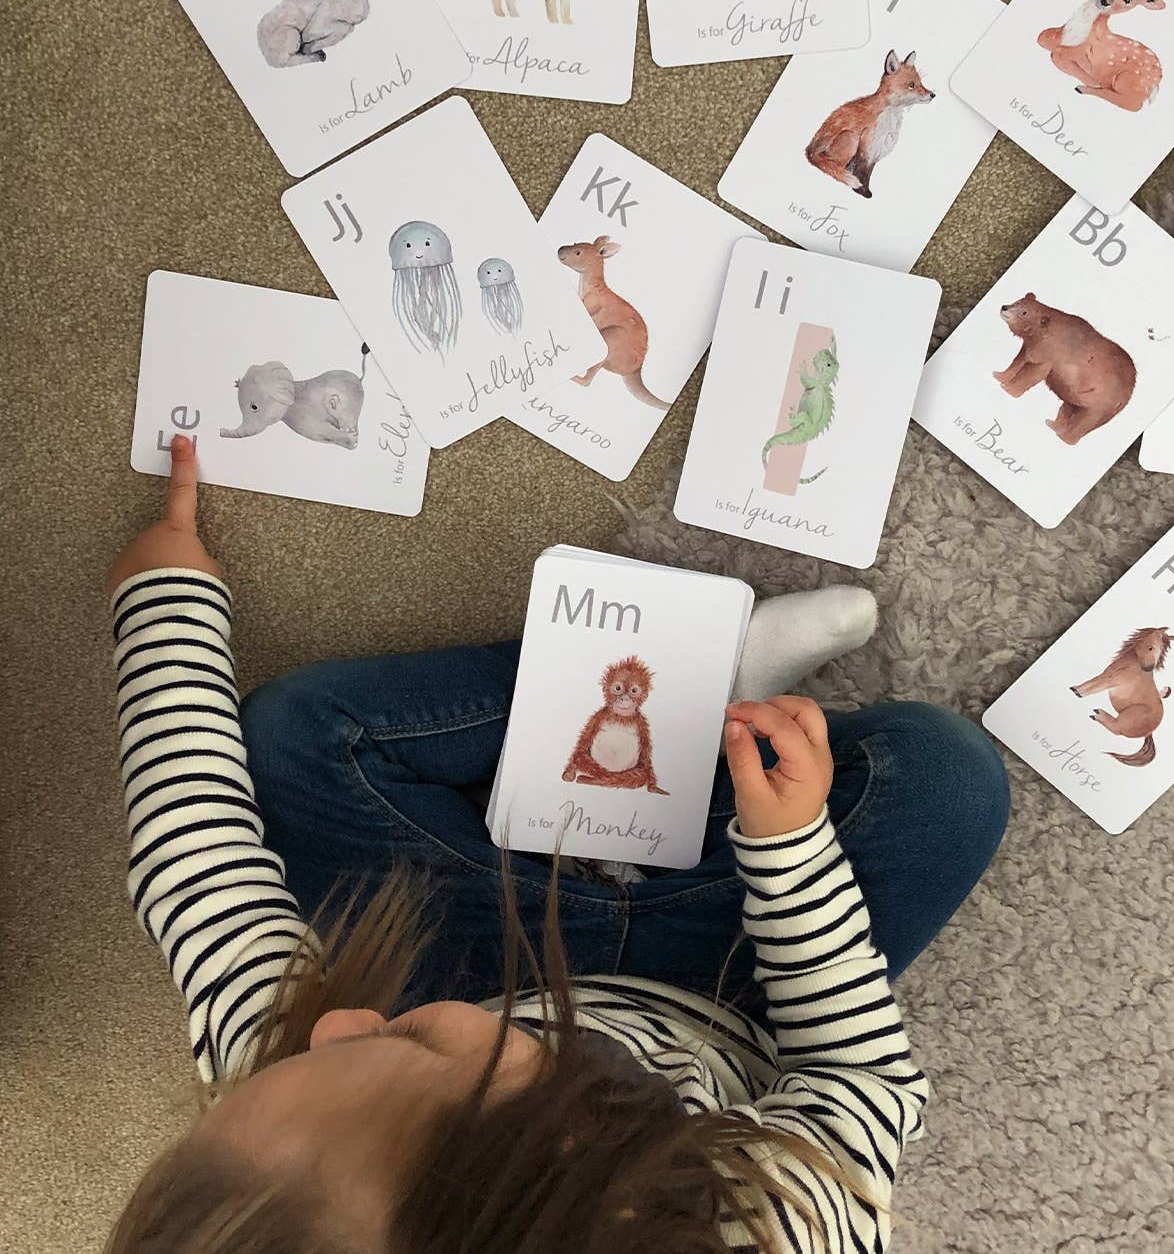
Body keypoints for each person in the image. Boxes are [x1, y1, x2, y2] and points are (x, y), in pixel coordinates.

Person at [105, 435, 1009, 1253]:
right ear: (572, 1147)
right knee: (948, 782)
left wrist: (164, 607)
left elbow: (197, 863)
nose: (332, 1024)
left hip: (469, 966)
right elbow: (852, 1066)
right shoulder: (783, 1221)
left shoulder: (300, 1109)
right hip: (734, 988)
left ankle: (671, 692)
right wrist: (792, 852)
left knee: (294, 739)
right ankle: (693, 701)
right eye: (398, 1047)